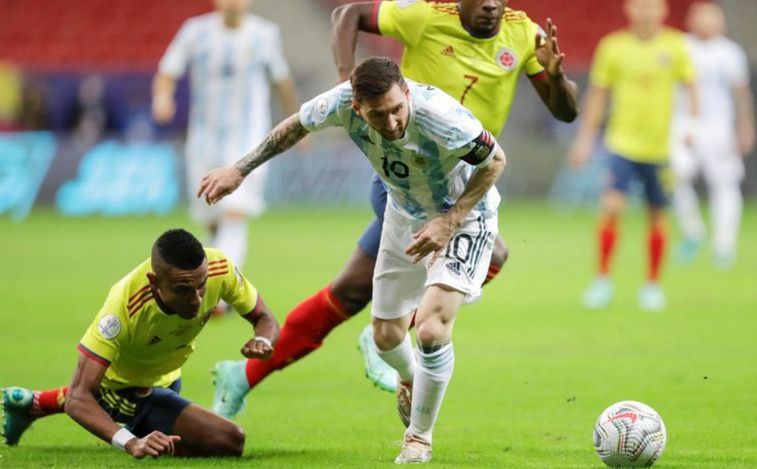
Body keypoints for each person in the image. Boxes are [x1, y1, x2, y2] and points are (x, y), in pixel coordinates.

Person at [210, 0, 578, 418]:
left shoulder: (524, 33)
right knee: (490, 253)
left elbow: (566, 113)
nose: (492, 5)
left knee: (349, 291)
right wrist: (348, 86)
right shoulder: (423, 15)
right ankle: (394, 330)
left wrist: (557, 77)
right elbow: (345, 14)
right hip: (403, 172)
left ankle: (245, 375)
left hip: (460, 177)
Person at [200, 56, 506, 464]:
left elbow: (495, 161)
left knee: (431, 330)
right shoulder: (340, 103)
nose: (393, 123)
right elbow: (293, 127)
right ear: (358, 108)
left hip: (464, 218)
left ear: (407, 93)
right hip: (404, 214)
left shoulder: (440, 116)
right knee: (384, 337)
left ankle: (418, 439)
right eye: (379, 115)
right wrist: (239, 170)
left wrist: (450, 222)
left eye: (398, 109)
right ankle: (411, 378)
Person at [1, 229, 279, 459]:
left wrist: (262, 339)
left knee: (189, 439)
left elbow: (265, 317)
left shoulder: (220, 268)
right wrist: (131, 442)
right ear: (154, 282)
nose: (196, 300)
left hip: (168, 378)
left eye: (202, 285)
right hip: (125, 391)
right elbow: (78, 398)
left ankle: (35, 403)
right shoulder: (122, 307)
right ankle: (41, 404)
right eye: (183, 290)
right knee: (229, 440)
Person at [152, 0, 299, 279]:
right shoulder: (195, 32)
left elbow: (282, 81)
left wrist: (298, 124)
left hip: (249, 139)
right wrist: (162, 97)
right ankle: (218, 275)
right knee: (213, 214)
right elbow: (168, 70)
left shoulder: (264, 34)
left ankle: (219, 289)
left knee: (235, 210)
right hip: (204, 138)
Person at [569, 0, 698, 312]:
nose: (646, 11)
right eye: (640, 5)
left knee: (657, 214)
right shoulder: (613, 47)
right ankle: (602, 280)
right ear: (629, 9)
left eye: (652, 6)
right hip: (621, 143)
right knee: (612, 207)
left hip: (660, 148)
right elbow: (598, 96)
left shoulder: (676, 45)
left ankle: (652, 286)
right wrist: (585, 140)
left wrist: (691, 128)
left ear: (663, 10)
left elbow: (692, 88)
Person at [671, 1, 755, 269]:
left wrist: (745, 127)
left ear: (722, 21)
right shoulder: (680, 46)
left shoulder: (730, 53)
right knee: (673, 176)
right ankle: (693, 231)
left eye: (711, 16)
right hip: (684, 123)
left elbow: (741, 95)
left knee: (725, 184)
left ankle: (724, 246)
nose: (706, 21)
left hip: (719, 126)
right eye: (700, 15)